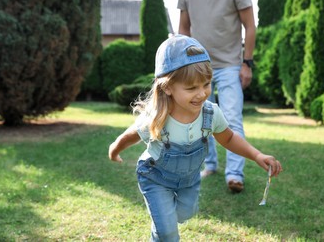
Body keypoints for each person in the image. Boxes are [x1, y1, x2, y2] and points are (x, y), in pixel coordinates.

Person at [108, 34, 282, 241]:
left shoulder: (210, 113)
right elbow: (131, 136)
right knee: (167, 231)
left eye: (206, 84)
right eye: (191, 88)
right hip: (154, 177)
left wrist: (257, 155)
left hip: (189, 180)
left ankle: (164, 222)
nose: (201, 93)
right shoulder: (157, 116)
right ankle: (161, 230)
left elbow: (228, 138)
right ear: (167, 87)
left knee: (184, 214)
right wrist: (115, 149)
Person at [177, 0, 257, 193]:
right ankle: (210, 164)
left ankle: (235, 174)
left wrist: (247, 63)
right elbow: (184, 27)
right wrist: (185, 62)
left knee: (232, 118)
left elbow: (249, 24)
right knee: (201, 119)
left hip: (230, 65)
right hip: (199, 67)